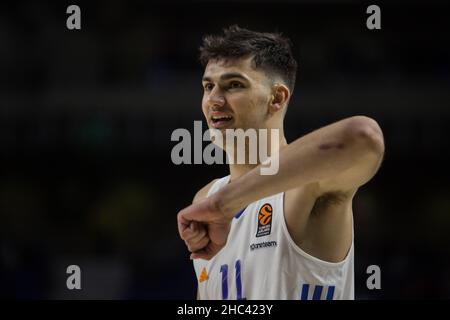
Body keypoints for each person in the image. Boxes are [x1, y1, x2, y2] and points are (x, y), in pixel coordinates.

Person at [177, 25, 384, 300]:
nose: (214, 100)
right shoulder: (206, 196)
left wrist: (225, 202)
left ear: (276, 98)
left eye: (234, 85)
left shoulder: (306, 184)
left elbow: (363, 137)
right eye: (208, 86)